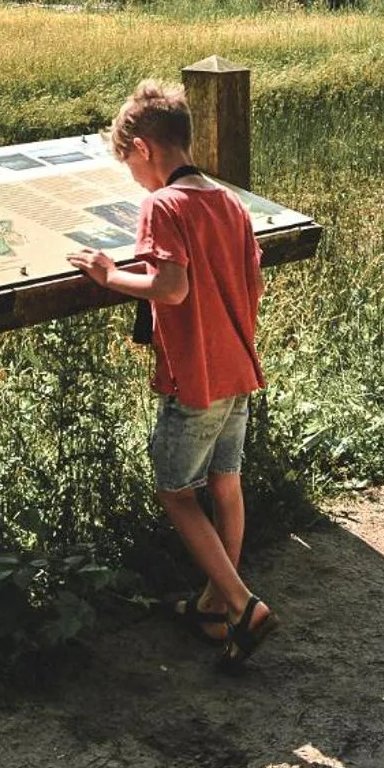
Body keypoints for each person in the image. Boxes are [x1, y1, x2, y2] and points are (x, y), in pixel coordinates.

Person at [67, 79, 278, 668]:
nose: (131, 178)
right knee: (225, 481)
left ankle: (241, 604)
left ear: (142, 148)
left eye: (127, 164)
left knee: (175, 491)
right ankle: (215, 603)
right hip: (238, 367)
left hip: (196, 373)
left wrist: (109, 275)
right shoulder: (229, 203)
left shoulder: (162, 205)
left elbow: (171, 287)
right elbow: (251, 282)